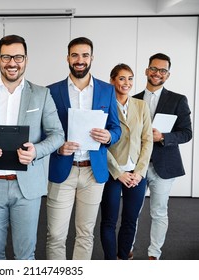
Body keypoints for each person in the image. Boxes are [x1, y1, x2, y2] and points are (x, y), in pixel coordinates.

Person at [0, 34, 64, 260]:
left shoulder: (42, 94)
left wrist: (36, 151)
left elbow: (57, 135)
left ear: (26, 59)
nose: (12, 63)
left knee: (25, 256)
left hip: (27, 188)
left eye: (18, 57)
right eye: (6, 57)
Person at [46, 37, 122, 260]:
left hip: (93, 172)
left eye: (85, 55)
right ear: (68, 58)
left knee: (85, 234)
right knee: (56, 235)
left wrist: (109, 136)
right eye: (75, 55)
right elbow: (43, 131)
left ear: (91, 58)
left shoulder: (107, 90)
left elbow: (116, 128)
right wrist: (58, 147)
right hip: (63, 171)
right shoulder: (51, 91)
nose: (80, 60)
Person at [133, 53, 192, 260]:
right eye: (154, 69)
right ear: (146, 71)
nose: (157, 73)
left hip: (164, 165)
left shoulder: (178, 100)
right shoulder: (133, 99)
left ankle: (154, 255)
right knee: (133, 212)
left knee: (158, 212)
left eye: (162, 70)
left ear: (167, 75)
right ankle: (127, 249)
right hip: (136, 166)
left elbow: (187, 133)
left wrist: (164, 137)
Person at [99, 63, 153, 260]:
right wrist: (118, 172)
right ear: (112, 80)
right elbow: (99, 145)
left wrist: (139, 172)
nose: (126, 83)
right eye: (122, 78)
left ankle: (123, 258)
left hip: (136, 175)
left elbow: (147, 140)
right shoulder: (104, 106)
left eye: (130, 78)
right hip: (112, 173)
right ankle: (111, 262)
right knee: (109, 221)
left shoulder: (141, 106)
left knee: (131, 220)